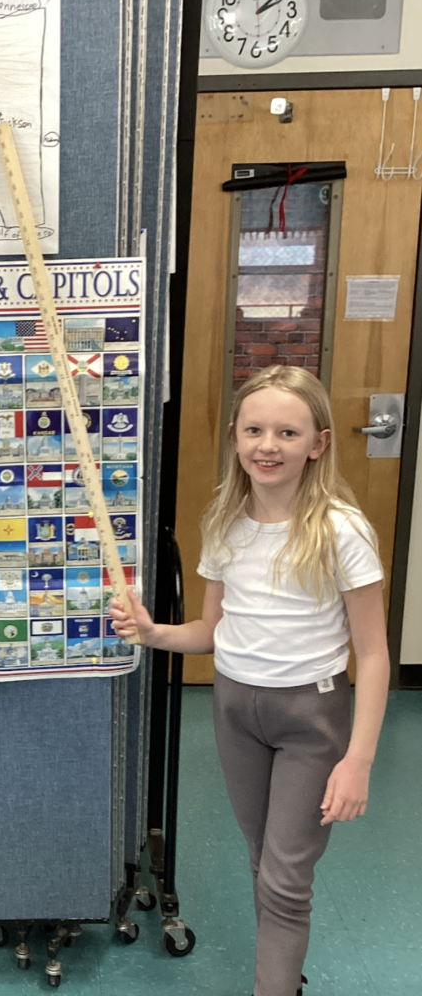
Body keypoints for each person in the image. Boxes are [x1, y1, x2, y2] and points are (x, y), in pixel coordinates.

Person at [112, 365, 388, 996]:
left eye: (287, 433)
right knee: (263, 862)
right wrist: (155, 633)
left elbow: (372, 654)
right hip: (235, 710)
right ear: (235, 436)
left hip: (310, 718)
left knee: (287, 877)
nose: (269, 445)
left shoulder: (341, 530)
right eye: (255, 429)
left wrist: (359, 760)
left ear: (317, 443)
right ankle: (284, 978)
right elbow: (212, 632)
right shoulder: (226, 523)